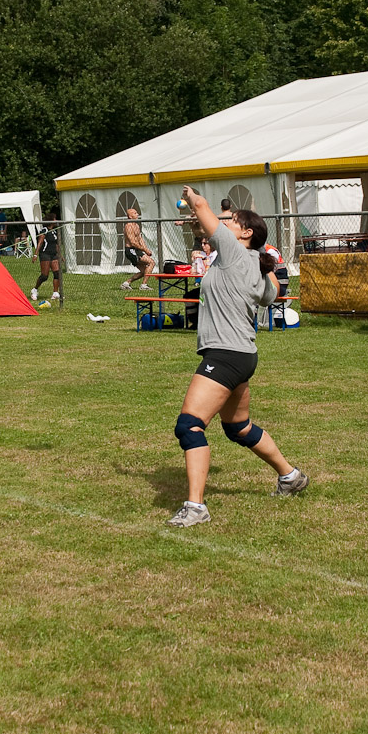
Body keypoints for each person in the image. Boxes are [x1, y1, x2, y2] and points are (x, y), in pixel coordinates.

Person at [168, 188, 309, 527]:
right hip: (243, 355)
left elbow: (202, 206)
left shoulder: (233, 251)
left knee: (189, 426)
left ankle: (196, 507)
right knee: (237, 427)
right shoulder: (256, 266)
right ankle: (290, 476)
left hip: (226, 354)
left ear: (245, 233)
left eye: (231, 220)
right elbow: (273, 292)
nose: (225, 221)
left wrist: (190, 194)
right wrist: (262, 254)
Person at [121, 207, 155, 291]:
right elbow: (133, 242)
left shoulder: (136, 225)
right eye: (135, 213)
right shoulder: (128, 226)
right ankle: (143, 285)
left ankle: (126, 283)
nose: (138, 214)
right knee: (151, 262)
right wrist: (144, 250)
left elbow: (140, 239)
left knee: (145, 271)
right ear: (130, 216)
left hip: (137, 250)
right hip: (131, 250)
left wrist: (146, 249)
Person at [31, 216, 61, 301]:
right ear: (50, 221)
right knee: (44, 276)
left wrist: (60, 255)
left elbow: (56, 244)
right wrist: (35, 254)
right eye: (54, 219)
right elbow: (40, 242)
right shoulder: (44, 230)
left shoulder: (54, 231)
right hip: (45, 254)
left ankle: (55, 292)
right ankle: (35, 290)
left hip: (53, 254)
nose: (56, 220)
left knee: (57, 273)